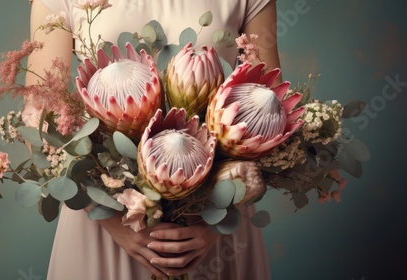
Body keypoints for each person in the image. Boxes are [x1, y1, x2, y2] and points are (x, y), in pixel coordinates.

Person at [24, 0, 281, 279]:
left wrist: (214, 223)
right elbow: (38, 120)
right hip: (106, 218)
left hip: (211, 224)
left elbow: (271, 110)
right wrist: (112, 220)